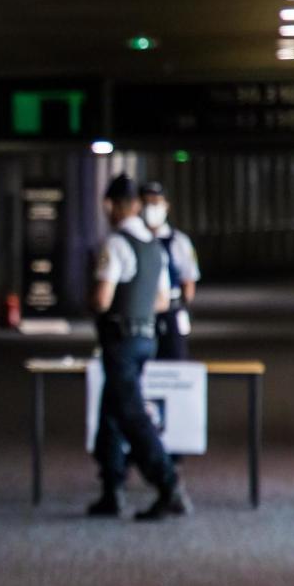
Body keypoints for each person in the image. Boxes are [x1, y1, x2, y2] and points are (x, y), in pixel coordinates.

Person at [88, 174, 191, 520]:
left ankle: (168, 484)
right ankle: (111, 488)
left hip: (120, 339)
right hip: (147, 337)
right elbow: (162, 300)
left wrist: (99, 302)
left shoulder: (116, 244)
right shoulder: (153, 246)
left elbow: (103, 299)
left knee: (131, 414)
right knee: (111, 412)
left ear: (115, 206)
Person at [140, 180, 200, 360]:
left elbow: (188, 281)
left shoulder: (178, 241)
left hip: (171, 310)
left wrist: (182, 307)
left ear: (166, 206)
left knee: (175, 358)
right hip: (141, 310)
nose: (151, 207)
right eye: (146, 202)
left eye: (156, 202)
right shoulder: (134, 241)